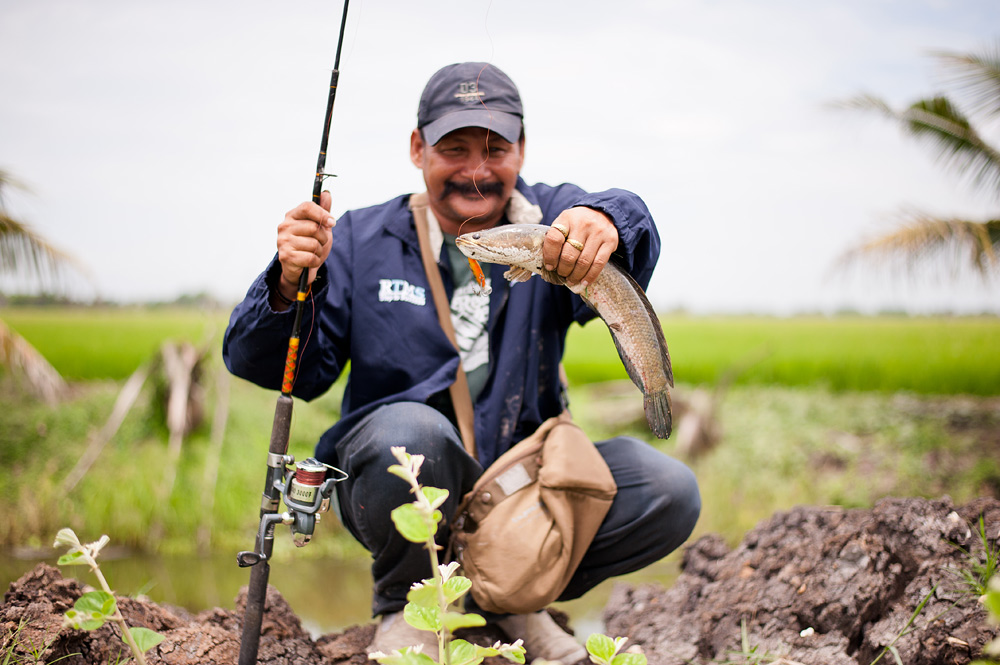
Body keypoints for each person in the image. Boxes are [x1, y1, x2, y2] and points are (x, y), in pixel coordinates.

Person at [223, 62, 700, 664]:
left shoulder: (550, 224)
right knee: (410, 434)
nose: (476, 170)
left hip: (523, 489)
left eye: (496, 148)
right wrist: (291, 281)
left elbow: (627, 215)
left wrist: (604, 223)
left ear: (522, 151)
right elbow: (275, 366)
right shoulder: (359, 240)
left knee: (667, 488)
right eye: (454, 148)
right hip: (394, 481)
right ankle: (409, 604)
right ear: (418, 148)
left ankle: (513, 599)